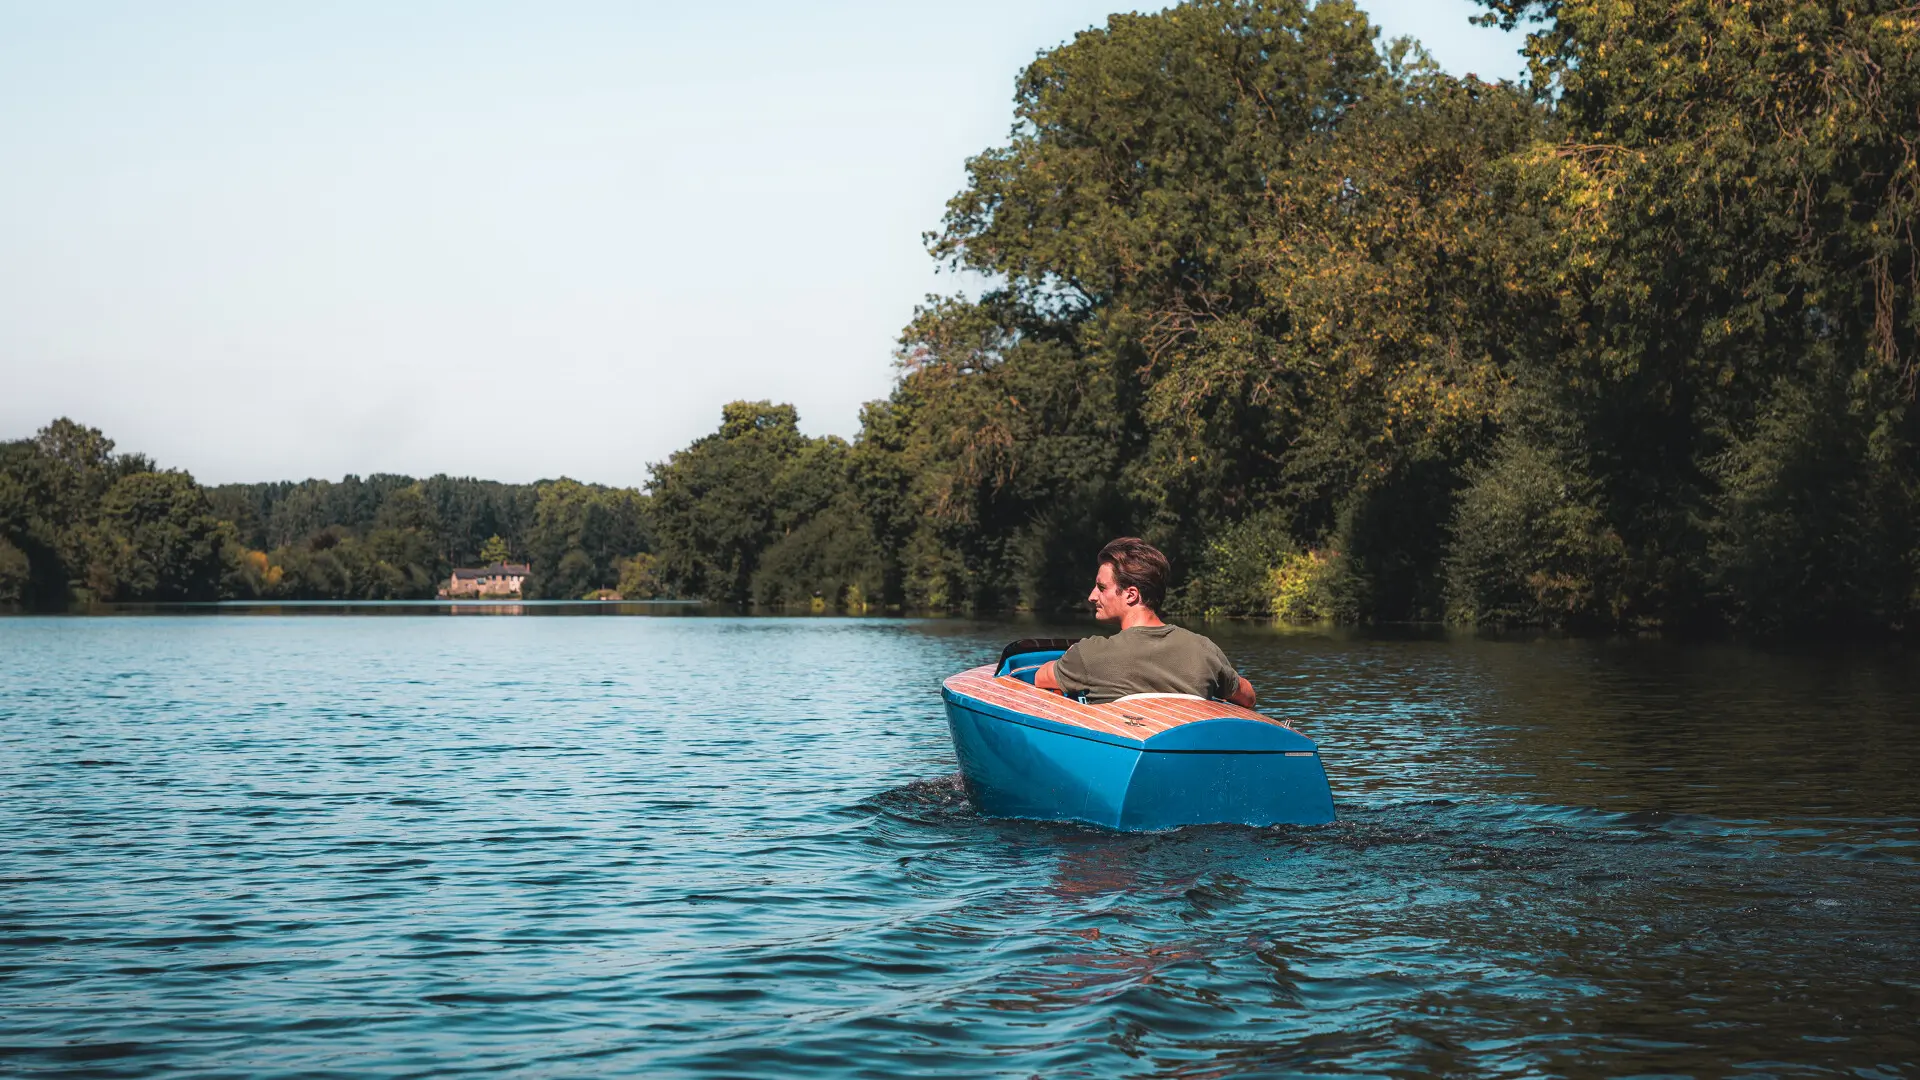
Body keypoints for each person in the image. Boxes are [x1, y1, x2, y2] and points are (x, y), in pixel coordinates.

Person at [1034, 537, 1256, 708]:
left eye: (1101, 588)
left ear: (1131, 595)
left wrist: (1070, 656)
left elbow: (1040, 677)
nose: (1092, 596)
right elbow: (1248, 697)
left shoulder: (1089, 654)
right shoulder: (1204, 649)